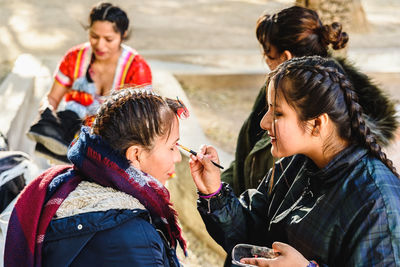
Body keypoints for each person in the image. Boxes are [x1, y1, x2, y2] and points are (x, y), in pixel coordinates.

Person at [189, 56, 400, 266]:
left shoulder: (377, 202)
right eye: (268, 109)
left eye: (278, 113)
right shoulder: (295, 163)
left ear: (317, 123)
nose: (264, 122)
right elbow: (252, 235)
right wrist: (214, 192)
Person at [221, 6, 398, 196]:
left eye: (268, 56)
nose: (265, 122)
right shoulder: (278, 94)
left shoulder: (324, 161)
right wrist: (217, 193)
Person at [5, 88, 188, 267]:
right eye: (172, 147)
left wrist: (212, 197)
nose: (178, 157)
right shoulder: (138, 238)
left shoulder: (70, 184)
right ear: (136, 155)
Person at [27, 2, 152, 163]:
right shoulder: (74, 58)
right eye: (94, 36)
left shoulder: (137, 69)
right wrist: (46, 113)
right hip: (69, 136)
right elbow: (52, 98)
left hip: (111, 147)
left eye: (108, 39)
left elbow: (140, 119)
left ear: (123, 35)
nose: (100, 45)